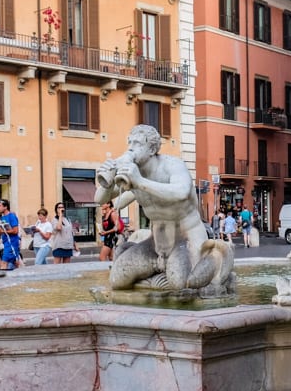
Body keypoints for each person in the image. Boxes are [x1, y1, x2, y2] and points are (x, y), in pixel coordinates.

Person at [93, 124, 232, 292]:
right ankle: (157, 271)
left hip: (186, 238)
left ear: (152, 149)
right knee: (117, 280)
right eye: (129, 143)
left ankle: (215, 257)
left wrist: (139, 182)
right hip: (156, 244)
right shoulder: (132, 172)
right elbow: (100, 199)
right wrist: (107, 179)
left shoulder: (172, 166)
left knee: (181, 285)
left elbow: (181, 191)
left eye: (137, 144)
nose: (130, 148)